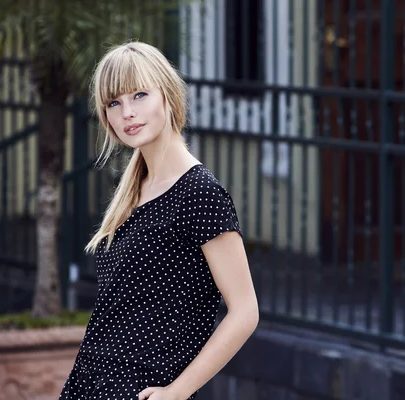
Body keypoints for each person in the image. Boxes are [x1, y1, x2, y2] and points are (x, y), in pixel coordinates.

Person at [59, 41, 259, 400]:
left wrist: (178, 391)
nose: (127, 113)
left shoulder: (199, 193)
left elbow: (245, 312)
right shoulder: (135, 190)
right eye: (114, 103)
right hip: (92, 385)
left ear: (167, 95)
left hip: (143, 390)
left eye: (139, 95)